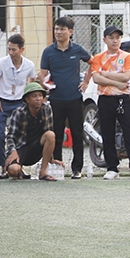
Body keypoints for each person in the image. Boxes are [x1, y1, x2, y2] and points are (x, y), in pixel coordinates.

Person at [89, 26, 130, 180]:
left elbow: (126, 77)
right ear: (104, 40)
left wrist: (105, 74)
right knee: (107, 133)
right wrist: (116, 82)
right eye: (111, 37)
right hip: (105, 98)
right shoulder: (98, 57)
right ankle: (112, 168)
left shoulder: (127, 56)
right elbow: (96, 78)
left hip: (123, 99)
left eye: (117, 37)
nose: (115, 40)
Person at [38, 16, 91, 179]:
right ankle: (57, 166)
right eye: (56, 29)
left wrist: (87, 81)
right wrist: (43, 83)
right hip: (56, 99)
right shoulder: (48, 51)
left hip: (75, 98)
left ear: (70, 32)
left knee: (77, 133)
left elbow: (93, 62)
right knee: (57, 134)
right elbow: (44, 74)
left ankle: (77, 169)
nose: (58, 32)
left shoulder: (77, 50)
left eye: (62, 29)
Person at [0, 34, 36, 178]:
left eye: (14, 50)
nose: (11, 53)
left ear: (22, 49)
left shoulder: (29, 65)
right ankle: (3, 166)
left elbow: (32, 82)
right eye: (9, 49)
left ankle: (19, 165)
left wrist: (29, 102)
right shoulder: (2, 63)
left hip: (20, 102)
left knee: (21, 135)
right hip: (3, 101)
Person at [4, 82, 62, 181]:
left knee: (51, 134)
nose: (38, 98)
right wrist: (13, 152)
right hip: (21, 148)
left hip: (37, 147)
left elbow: (49, 134)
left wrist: (51, 158)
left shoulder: (46, 109)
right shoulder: (18, 112)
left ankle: (43, 172)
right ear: (27, 99)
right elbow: (10, 137)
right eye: (34, 96)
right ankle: (17, 169)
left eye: (40, 95)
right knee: (14, 170)